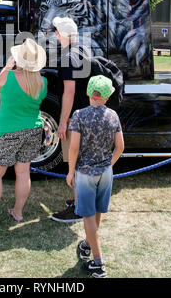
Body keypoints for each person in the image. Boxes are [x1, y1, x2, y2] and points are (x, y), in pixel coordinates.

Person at [51, 16, 124, 223]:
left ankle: (77, 209)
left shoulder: (67, 57)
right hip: (91, 114)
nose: (55, 35)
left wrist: (63, 122)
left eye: (56, 31)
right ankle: (79, 200)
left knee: (74, 164)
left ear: (61, 35)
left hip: (78, 118)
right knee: (82, 162)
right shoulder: (82, 48)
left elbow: (69, 92)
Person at [0, 38, 47, 227]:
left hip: (6, 131)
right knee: (23, 173)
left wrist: (6, 67)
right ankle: (18, 213)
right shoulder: (42, 81)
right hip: (34, 130)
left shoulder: (8, 77)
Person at [66, 75, 124, 278]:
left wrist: (70, 171)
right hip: (106, 173)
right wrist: (108, 164)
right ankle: (87, 245)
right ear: (107, 97)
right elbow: (120, 147)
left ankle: (98, 263)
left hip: (85, 173)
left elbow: (73, 148)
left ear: (89, 93)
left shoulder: (79, 115)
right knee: (97, 212)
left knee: (88, 215)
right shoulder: (113, 116)